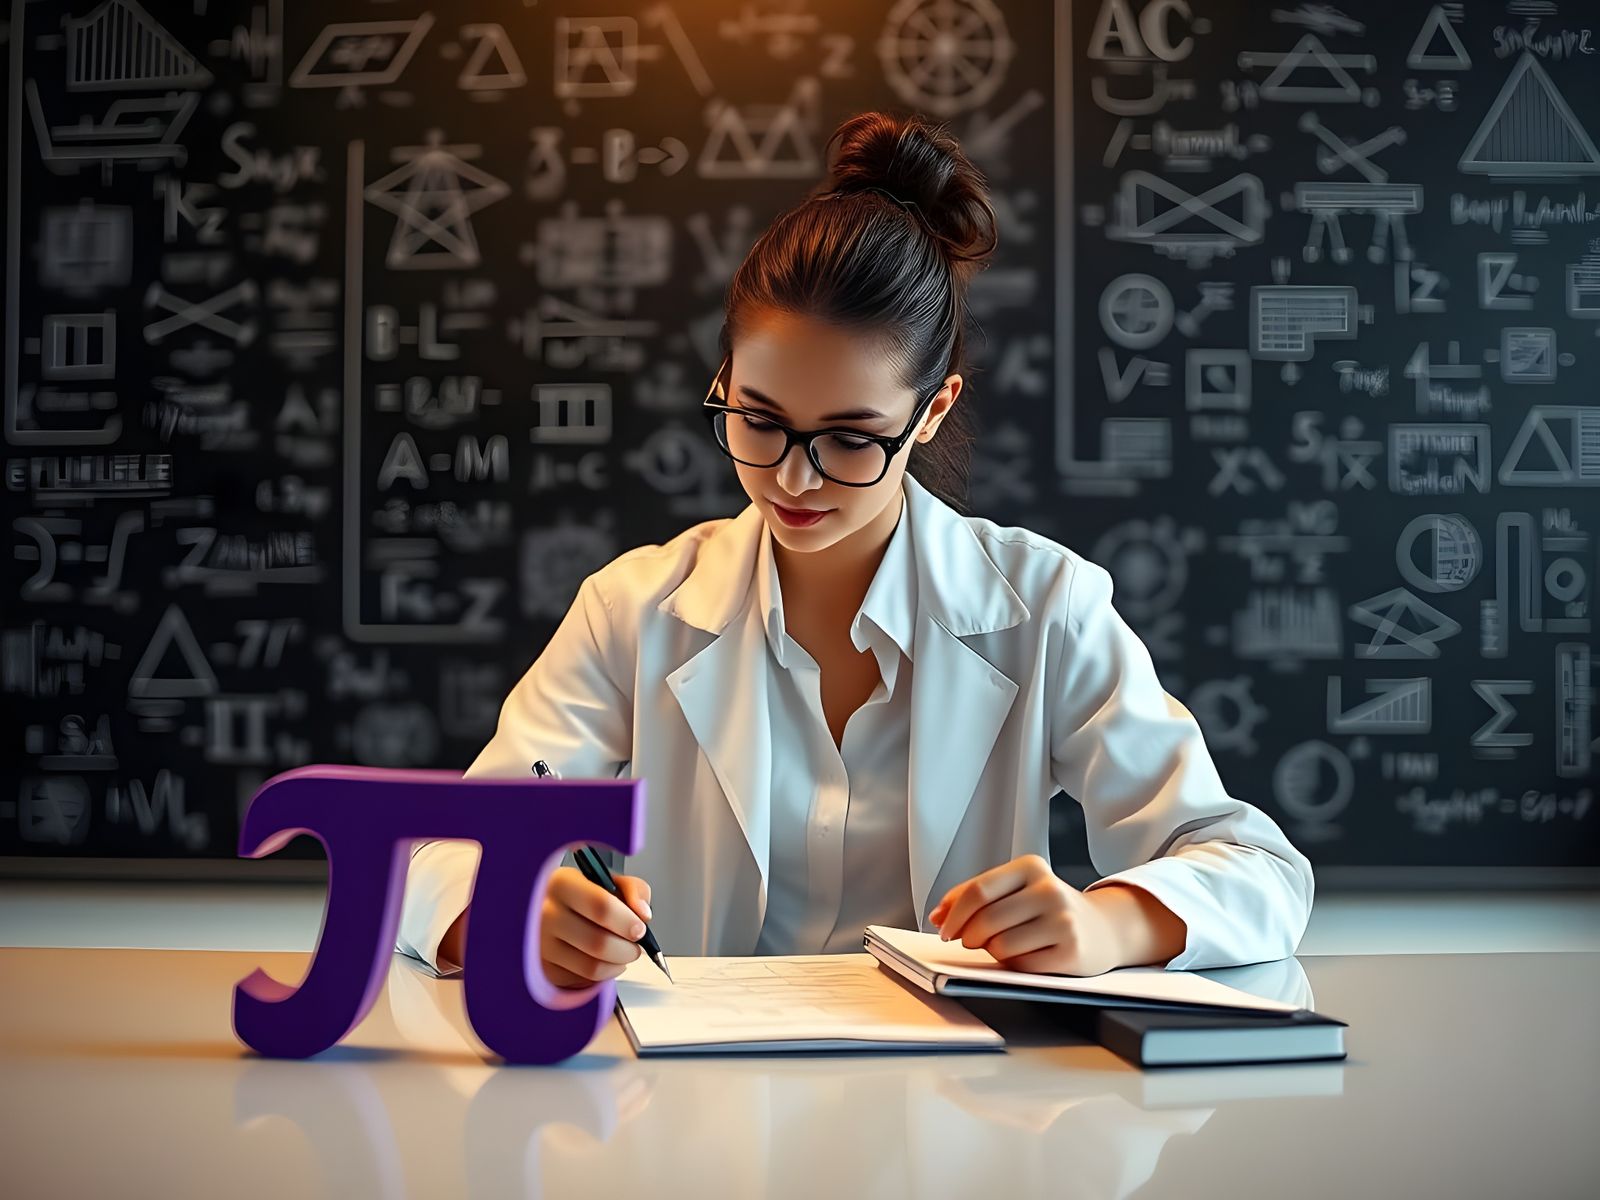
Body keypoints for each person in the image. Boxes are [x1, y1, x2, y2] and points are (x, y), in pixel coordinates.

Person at [396, 111, 1314, 989]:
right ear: (724, 382)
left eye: (849, 437)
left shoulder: (1045, 607)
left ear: (934, 410)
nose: (794, 480)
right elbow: (434, 854)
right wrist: (510, 909)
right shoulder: (632, 611)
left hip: (958, 1114)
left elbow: (1256, 867)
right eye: (759, 422)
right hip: (690, 1116)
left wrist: (1107, 924)